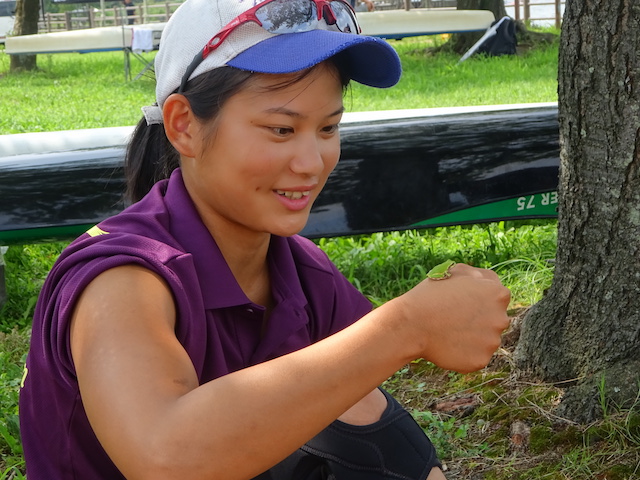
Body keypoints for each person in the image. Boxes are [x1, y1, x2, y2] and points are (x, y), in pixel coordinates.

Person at [19, 0, 511, 478]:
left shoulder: (301, 272)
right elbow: (164, 459)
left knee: (356, 408)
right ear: (184, 126)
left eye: (328, 128)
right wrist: (405, 327)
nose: (311, 163)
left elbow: (359, 416)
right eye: (281, 129)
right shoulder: (123, 278)